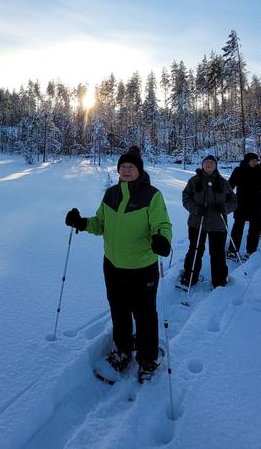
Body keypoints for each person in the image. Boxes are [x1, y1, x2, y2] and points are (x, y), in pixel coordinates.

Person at [64, 149, 173, 383]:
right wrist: (82, 222)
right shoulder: (110, 194)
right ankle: (123, 350)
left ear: (139, 170)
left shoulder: (152, 195)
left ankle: (147, 358)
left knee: (144, 314)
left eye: (131, 167)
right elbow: (100, 223)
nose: (126, 170)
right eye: (123, 166)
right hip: (113, 266)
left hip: (142, 267)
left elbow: (162, 223)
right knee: (119, 310)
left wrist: (162, 238)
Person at [179, 155, 236, 289]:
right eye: (207, 162)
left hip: (218, 224)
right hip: (197, 223)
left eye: (212, 162)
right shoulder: (194, 181)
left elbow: (234, 201)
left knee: (217, 252)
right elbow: (185, 198)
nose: (209, 164)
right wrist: (196, 209)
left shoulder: (223, 182)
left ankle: (219, 280)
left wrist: (224, 208)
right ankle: (190, 277)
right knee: (195, 250)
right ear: (202, 164)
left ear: (215, 166)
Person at [225, 152, 261, 259]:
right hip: (241, 203)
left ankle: (251, 250)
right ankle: (232, 250)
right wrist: (227, 196)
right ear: (247, 160)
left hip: (256, 203)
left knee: (254, 228)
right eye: (252, 160)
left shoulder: (260, 171)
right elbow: (230, 185)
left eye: (256, 160)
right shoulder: (239, 170)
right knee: (238, 227)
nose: (255, 162)